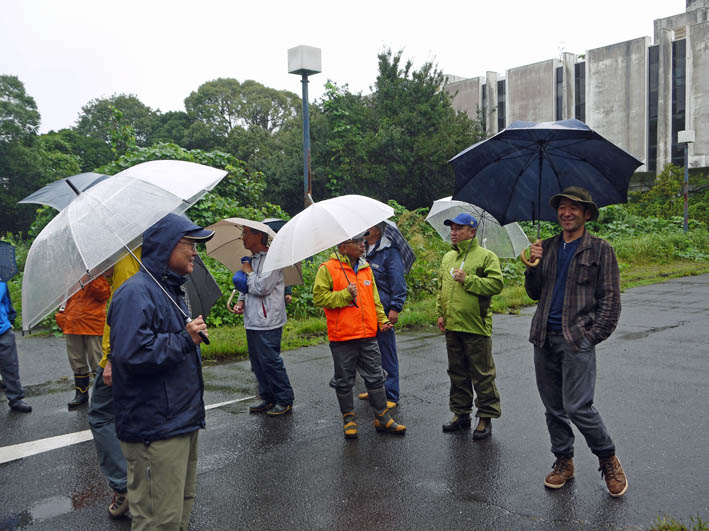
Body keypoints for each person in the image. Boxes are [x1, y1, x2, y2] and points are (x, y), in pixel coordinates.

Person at [108, 214, 213, 531]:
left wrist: (187, 334)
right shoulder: (135, 293)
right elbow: (131, 355)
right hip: (155, 429)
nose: (195, 252)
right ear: (167, 247)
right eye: (189, 245)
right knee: (157, 520)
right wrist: (185, 339)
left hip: (180, 421)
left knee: (179, 512)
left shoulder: (170, 289)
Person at [524, 186, 627, 497]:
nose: (566, 212)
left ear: (586, 214)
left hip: (576, 339)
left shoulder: (600, 249)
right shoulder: (549, 246)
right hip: (544, 337)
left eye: (573, 208)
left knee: (578, 407)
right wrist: (532, 267)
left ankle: (608, 458)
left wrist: (591, 337)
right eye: (562, 207)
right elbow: (534, 293)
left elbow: (610, 300)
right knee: (554, 407)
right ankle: (563, 461)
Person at [313, 233, 406, 438]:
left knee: (375, 376)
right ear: (344, 246)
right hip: (343, 336)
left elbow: (374, 301)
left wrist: (382, 320)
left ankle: (382, 417)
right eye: (357, 242)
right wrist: (344, 295)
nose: (362, 244)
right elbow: (319, 297)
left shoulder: (366, 268)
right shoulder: (327, 268)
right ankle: (349, 419)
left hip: (368, 334)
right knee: (345, 381)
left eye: (362, 241)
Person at [436, 213, 503, 439]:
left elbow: (496, 284)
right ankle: (460, 413)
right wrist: (441, 313)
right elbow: (442, 288)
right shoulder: (448, 258)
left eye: (459, 228)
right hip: (453, 326)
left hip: (476, 326)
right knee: (457, 372)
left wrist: (469, 279)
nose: (453, 232)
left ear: (472, 231)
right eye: (452, 228)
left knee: (482, 374)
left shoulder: (486, 257)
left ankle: (485, 417)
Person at [87, 250, 141, 520]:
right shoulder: (151, 250)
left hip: (120, 352)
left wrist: (110, 357)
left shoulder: (125, 260)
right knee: (137, 413)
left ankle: (124, 488)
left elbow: (122, 313)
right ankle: (149, 486)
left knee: (100, 415)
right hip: (145, 348)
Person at [232, 225, 294, 416]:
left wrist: (248, 272)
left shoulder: (272, 260)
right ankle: (268, 397)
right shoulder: (253, 259)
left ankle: (284, 399)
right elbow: (247, 288)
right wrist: (241, 301)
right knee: (257, 362)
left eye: (246, 233)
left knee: (270, 361)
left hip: (268, 321)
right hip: (252, 319)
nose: (243, 237)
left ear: (259, 236)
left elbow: (261, 287)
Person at [358, 223, 407, 408]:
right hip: (365, 310)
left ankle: (391, 394)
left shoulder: (389, 251)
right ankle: (374, 390)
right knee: (369, 353)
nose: (364, 230)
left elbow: (398, 282)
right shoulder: (362, 250)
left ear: (377, 230)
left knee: (386, 352)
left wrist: (395, 307)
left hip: (384, 309)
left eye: (368, 227)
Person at [56, 275, 111, 409]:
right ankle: (81, 394)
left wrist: (90, 279)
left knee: (97, 361)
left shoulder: (96, 272)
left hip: (92, 323)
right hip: (72, 323)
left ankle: (103, 396)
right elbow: (61, 299)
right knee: (76, 360)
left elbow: (104, 294)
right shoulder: (68, 275)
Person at [0, 280, 32, 413]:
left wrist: (10, 319)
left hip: (3, 330)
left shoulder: (1, 281)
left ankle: (16, 399)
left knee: (10, 366)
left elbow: (7, 301)